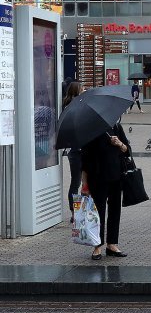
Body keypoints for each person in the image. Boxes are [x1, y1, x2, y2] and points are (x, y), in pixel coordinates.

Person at [81, 120, 131, 260]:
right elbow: (85, 160)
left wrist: (119, 144)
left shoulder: (116, 127)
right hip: (97, 177)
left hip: (116, 176)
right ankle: (97, 246)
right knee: (98, 213)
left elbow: (127, 150)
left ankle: (112, 244)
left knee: (115, 210)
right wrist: (84, 184)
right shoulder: (91, 130)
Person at [63, 81, 84, 224]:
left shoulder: (68, 106)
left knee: (76, 182)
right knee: (80, 182)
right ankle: (77, 211)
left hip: (75, 150)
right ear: (77, 90)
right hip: (79, 149)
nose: (85, 89)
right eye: (82, 88)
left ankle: (75, 212)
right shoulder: (76, 106)